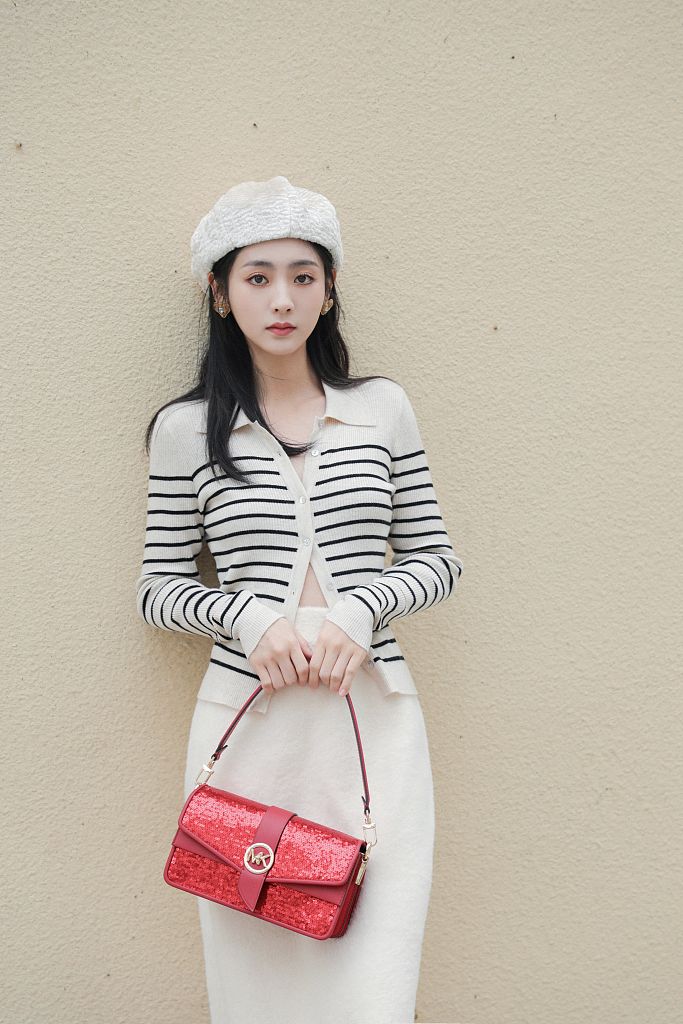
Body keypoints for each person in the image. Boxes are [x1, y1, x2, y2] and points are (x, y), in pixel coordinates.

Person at [135, 175, 464, 1024]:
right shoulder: (185, 430)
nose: (281, 299)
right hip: (249, 722)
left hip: (373, 716)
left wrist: (361, 609)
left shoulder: (382, 409)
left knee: (374, 973)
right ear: (219, 292)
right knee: (256, 978)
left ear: (329, 287)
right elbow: (158, 589)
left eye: (302, 276)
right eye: (257, 277)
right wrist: (245, 616)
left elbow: (437, 560)